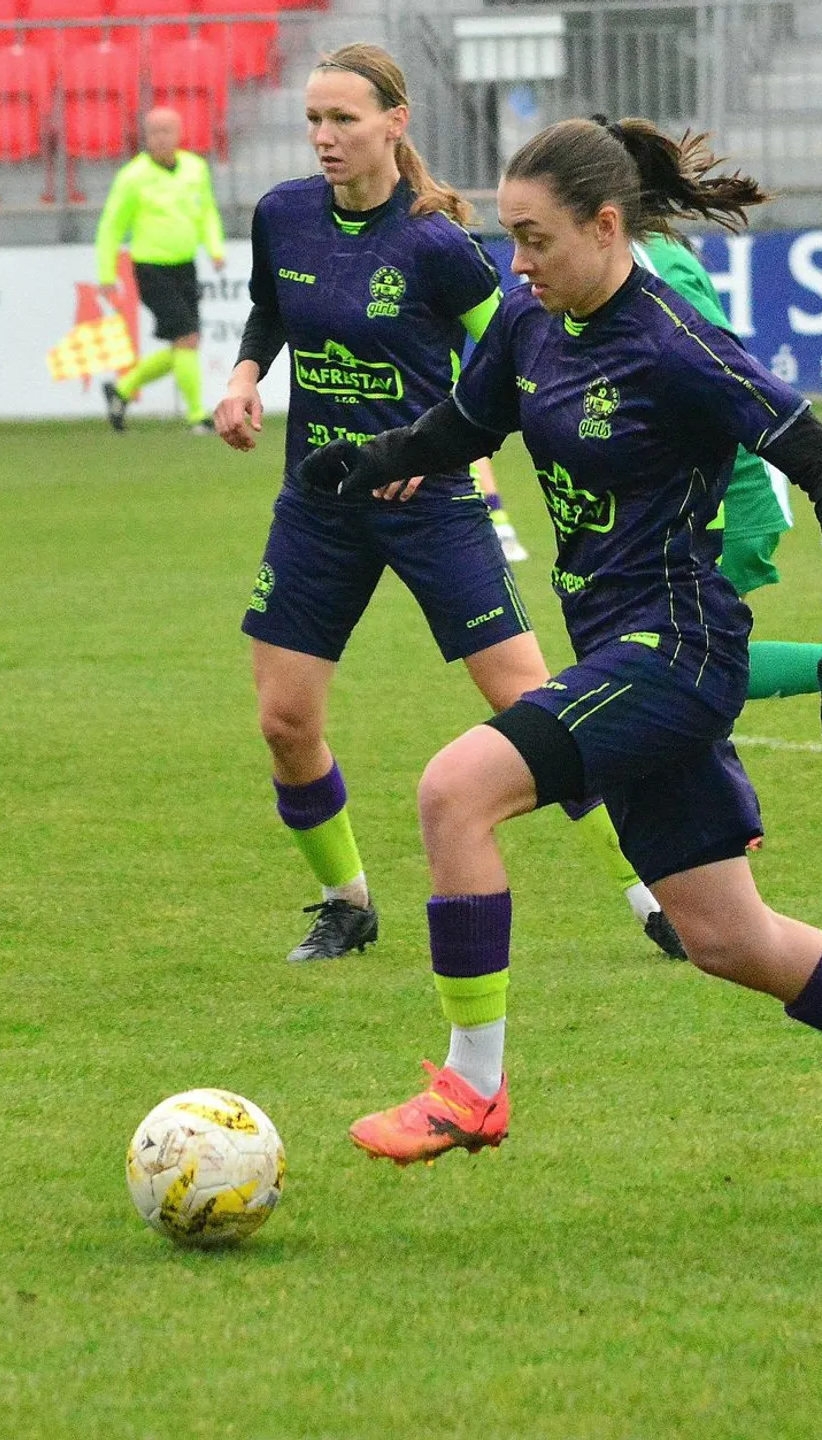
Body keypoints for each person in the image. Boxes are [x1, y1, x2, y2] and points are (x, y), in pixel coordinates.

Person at [294, 116, 822, 1186]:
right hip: (616, 642)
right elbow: (461, 428)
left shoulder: (674, 344)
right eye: (509, 238)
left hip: (676, 648)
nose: (517, 262)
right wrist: (369, 460)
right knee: (729, 939)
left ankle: (473, 1089)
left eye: (537, 239)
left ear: (607, 228)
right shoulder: (528, 319)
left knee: (454, 793)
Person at [214, 45, 682, 963]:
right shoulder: (283, 216)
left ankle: (654, 892)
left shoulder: (438, 245)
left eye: (344, 119)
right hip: (318, 500)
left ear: (396, 123)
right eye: (314, 119)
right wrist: (242, 379)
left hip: (432, 502)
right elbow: (271, 310)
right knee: (284, 721)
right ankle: (344, 902)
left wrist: (468, 442)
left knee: (536, 704)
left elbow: (518, 346)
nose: (324, 137)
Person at [627, 223, 822, 747]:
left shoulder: (651, 262)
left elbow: (725, 371)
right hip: (683, 480)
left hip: (729, 480)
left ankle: (713, 813)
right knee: (673, 656)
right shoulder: (640, 254)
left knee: (678, 661)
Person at [97, 108, 226, 434]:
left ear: (180, 132)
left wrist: (215, 248)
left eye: (168, 130)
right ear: (146, 136)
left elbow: (207, 211)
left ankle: (122, 390)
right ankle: (198, 416)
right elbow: (111, 226)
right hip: (150, 267)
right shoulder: (132, 176)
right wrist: (106, 274)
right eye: (155, 132)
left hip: (185, 264)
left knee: (185, 345)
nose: (162, 138)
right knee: (186, 337)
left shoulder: (195, 169)